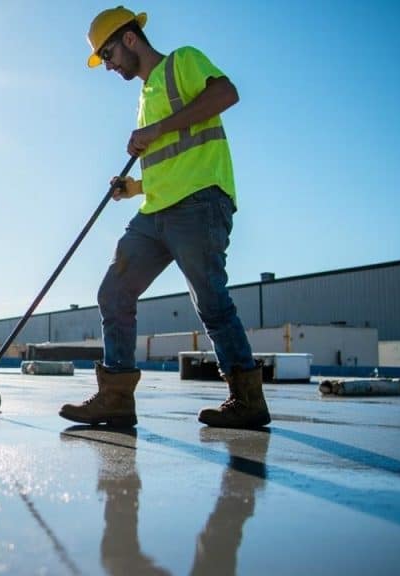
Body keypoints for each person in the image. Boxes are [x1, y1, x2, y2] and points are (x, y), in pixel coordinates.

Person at [60, 6, 270, 429]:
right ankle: (116, 396)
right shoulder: (145, 95)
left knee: (209, 300)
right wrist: (133, 188)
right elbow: (167, 161)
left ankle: (247, 399)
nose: (109, 65)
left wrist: (157, 130)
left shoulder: (182, 62)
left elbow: (227, 93)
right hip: (153, 212)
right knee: (114, 292)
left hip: (199, 203)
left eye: (109, 53)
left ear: (130, 39)